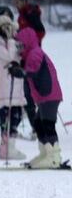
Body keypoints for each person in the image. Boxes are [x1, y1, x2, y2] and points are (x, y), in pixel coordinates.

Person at [10, 27, 64, 168]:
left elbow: (32, 72)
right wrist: (17, 67)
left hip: (49, 95)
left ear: (27, 42)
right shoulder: (29, 55)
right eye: (18, 45)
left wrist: (20, 72)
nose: (19, 47)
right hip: (44, 96)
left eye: (21, 44)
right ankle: (45, 153)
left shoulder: (35, 53)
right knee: (39, 123)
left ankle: (54, 157)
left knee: (47, 124)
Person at [0, 9, 26, 160]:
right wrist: (12, 41)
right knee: (8, 117)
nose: (8, 30)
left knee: (17, 115)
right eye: (4, 27)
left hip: (16, 83)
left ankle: (7, 147)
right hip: (5, 84)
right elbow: (9, 57)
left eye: (9, 27)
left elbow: (18, 56)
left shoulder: (12, 41)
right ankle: (8, 149)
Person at [13, 0, 46, 136]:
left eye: (17, 2)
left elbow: (40, 31)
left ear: (24, 0)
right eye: (14, 2)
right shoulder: (21, 15)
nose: (16, 5)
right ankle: (36, 126)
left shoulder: (29, 12)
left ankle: (39, 125)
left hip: (33, 59)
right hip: (25, 58)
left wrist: (32, 46)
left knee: (32, 92)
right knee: (28, 93)